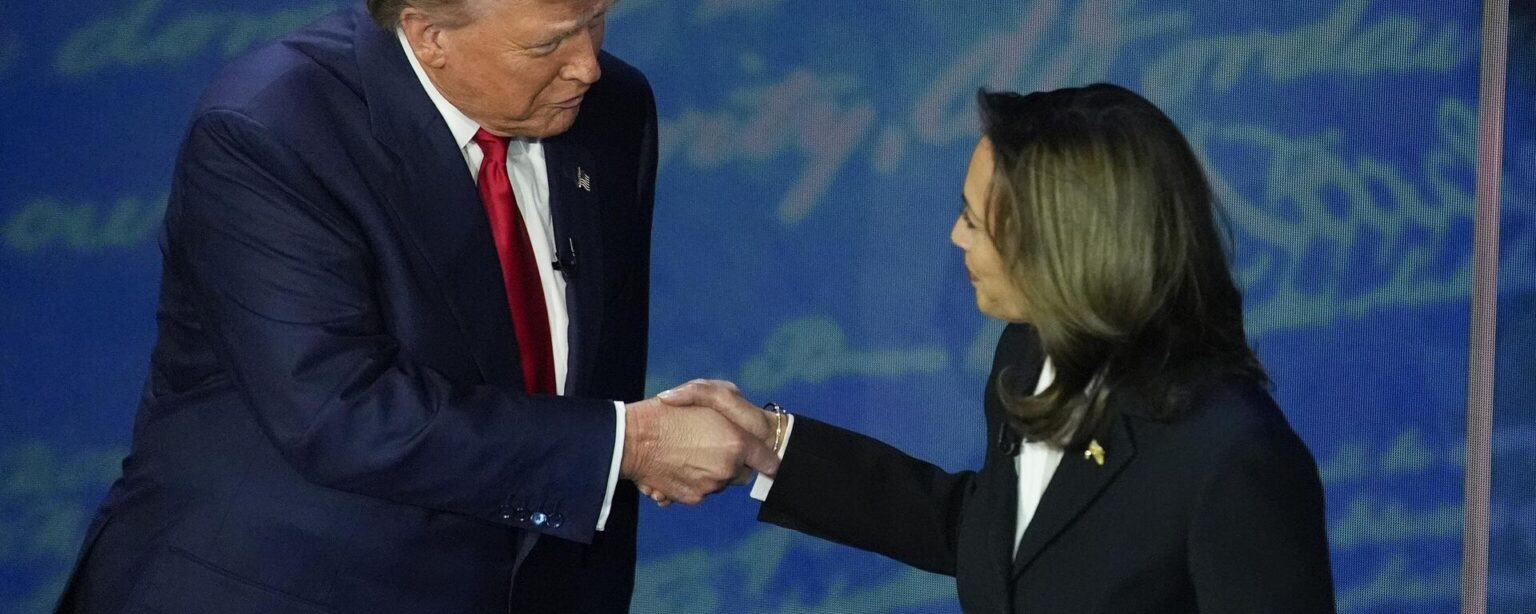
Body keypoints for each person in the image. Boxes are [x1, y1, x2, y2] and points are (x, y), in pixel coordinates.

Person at [55, 0, 775, 612]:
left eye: (595, 20)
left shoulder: (611, 109)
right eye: (549, 43)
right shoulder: (270, 130)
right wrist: (635, 444)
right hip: (276, 587)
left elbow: (586, 374)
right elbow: (340, 413)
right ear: (428, 33)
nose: (585, 63)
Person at [656, 84, 1337, 613]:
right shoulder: (1026, 353)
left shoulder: (1232, 458)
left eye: (976, 222)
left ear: (1066, 246)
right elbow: (991, 540)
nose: (958, 238)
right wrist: (769, 445)